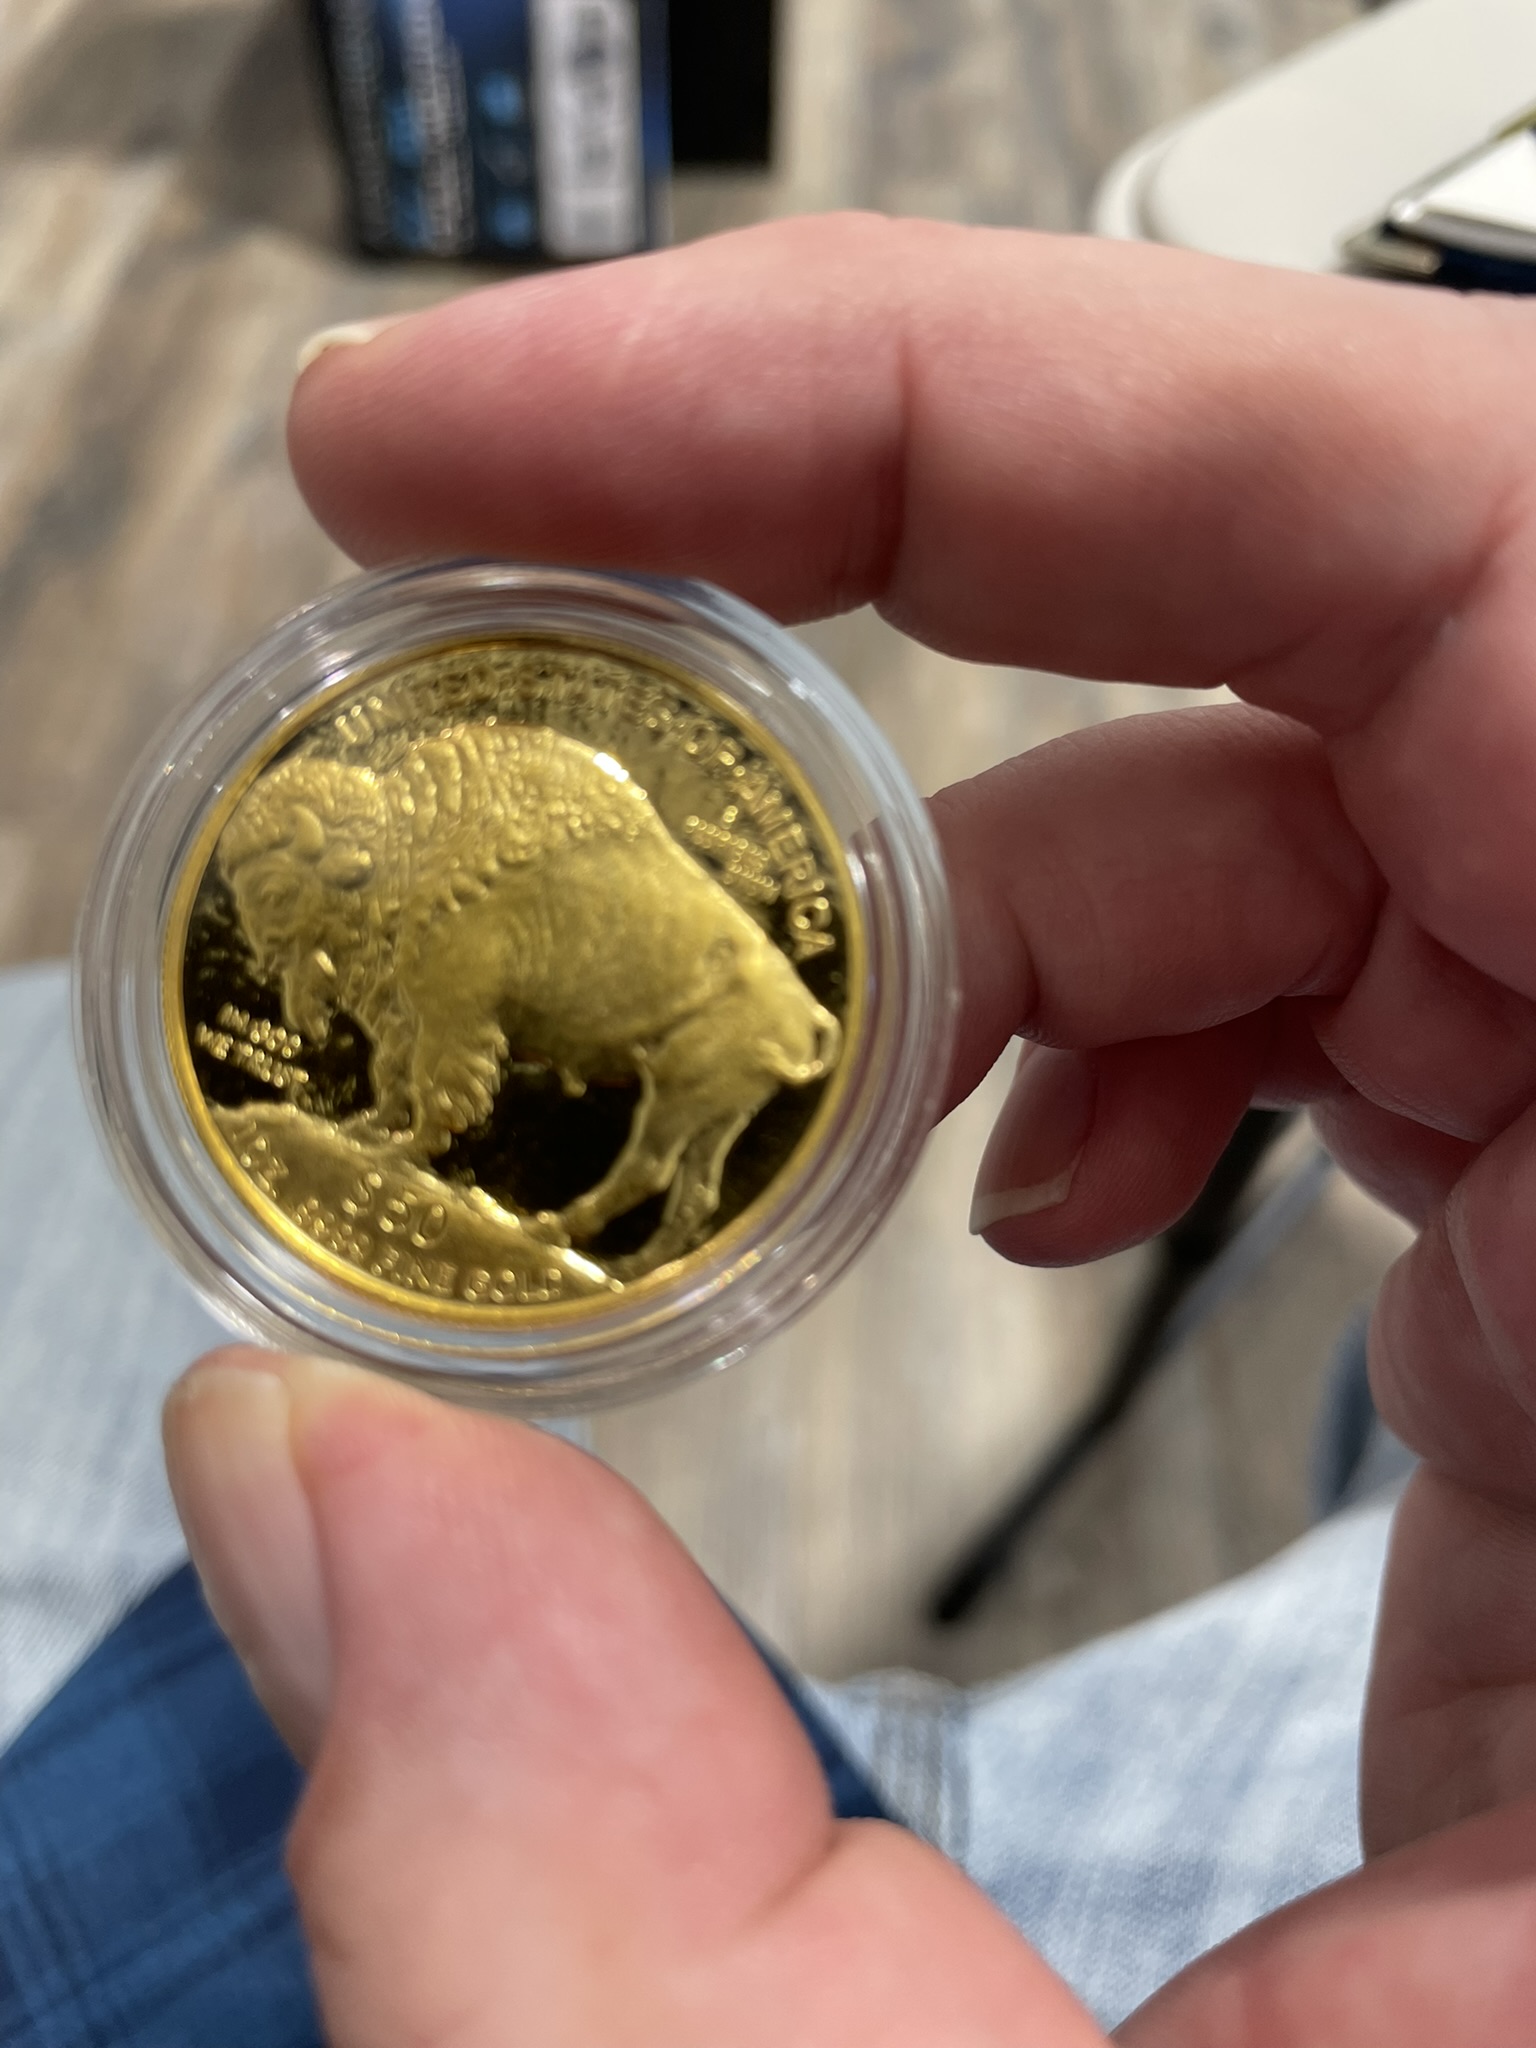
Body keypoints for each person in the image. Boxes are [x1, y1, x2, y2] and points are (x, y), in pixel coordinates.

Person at [9, 214, 1536, 2043]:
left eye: (307, 921)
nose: (297, 960)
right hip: (1304, 1791)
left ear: (351, 860)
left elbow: (440, 1070)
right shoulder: (460, 857)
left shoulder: (468, 895)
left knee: (46, 1054)